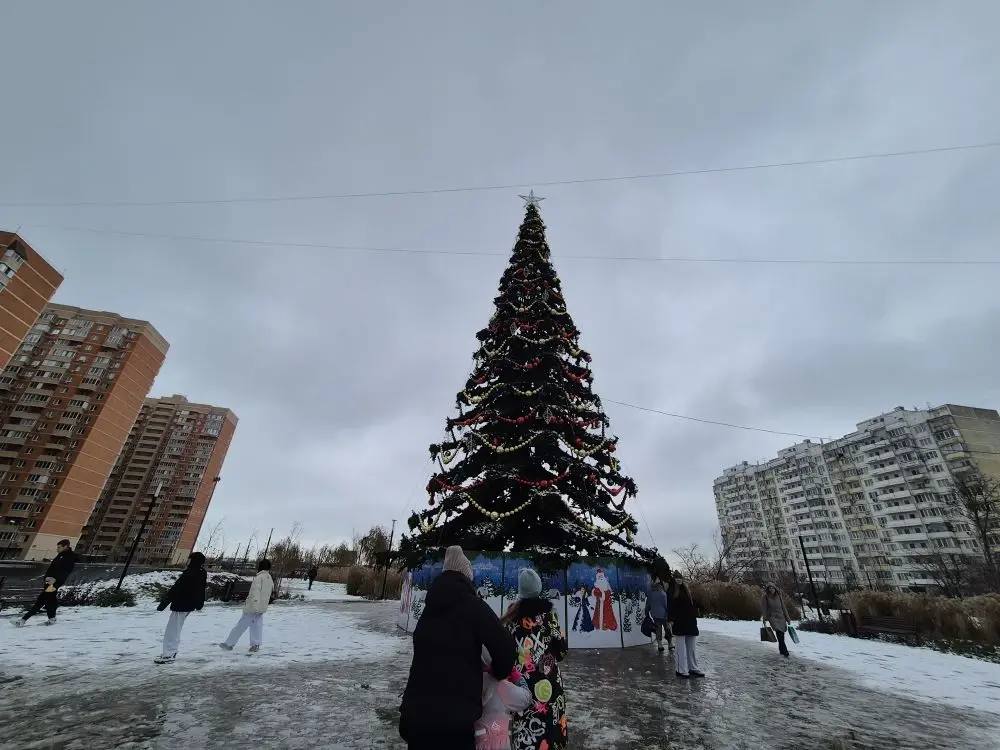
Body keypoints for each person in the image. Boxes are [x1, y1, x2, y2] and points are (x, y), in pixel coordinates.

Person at [400, 546, 516, 749]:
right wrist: (498, 672)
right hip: (454, 723)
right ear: (466, 577)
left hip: (417, 718)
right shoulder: (474, 607)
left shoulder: (429, 610)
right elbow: (505, 648)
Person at [502, 568, 568, 750]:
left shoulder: (511, 617)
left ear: (521, 590)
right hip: (550, 685)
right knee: (551, 730)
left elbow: (505, 653)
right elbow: (561, 652)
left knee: (526, 731)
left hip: (522, 686)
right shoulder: (549, 616)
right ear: (538, 588)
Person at [154, 552, 207, 664]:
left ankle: (169, 654)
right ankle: (170, 652)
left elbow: (175, 589)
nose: (187, 561)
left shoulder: (190, 573)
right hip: (189, 605)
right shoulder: (201, 572)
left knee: (172, 630)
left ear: (193, 561)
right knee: (175, 629)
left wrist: (163, 604)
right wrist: (199, 604)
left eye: (189, 559)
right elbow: (201, 590)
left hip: (181, 604)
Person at [476, 647, 532, 750]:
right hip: (498, 744)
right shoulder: (501, 686)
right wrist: (516, 676)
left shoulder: (468, 681)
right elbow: (526, 698)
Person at [14, 539, 78, 627]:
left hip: (54, 583)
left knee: (41, 600)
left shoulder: (70, 557)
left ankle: (23, 620)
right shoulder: (60, 555)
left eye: (59, 547)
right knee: (50, 600)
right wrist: (46, 578)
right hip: (50, 582)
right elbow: (51, 568)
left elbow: (66, 571)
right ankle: (51, 619)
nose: (57, 549)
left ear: (65, 546)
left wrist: (55, 580)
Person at [220, 559, 274, 653]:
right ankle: (255, 645)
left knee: (241, 625)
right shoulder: (269, 578)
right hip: (261, 607)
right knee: (256, 626)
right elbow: (270, 592)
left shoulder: (259, 577)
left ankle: (229, 644)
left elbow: (255, 592)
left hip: (253, 606)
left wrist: (254, 604)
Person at [669, 572, 704, 679]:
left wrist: (700, 607)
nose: (679, 580)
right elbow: (670, 606)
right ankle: (680, 670)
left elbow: (692, 604)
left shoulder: (687, 590)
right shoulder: (671, 590)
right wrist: (670, 619)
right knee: (680, 648)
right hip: (679, 622)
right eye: (676, 578)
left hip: (690, 622)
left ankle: (692, 667)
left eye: (680, 578)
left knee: (691, 648)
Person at [761, 582, 791, 658]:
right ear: (768, 589)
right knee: (779, 633)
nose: (771, 589)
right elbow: (764, 609)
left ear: (775, 588)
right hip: (773, 618)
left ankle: (781, 650)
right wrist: (764, 618)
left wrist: (788, 618)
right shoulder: (765, 597)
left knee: (781, 635)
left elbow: (783, 607)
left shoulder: (779, 595)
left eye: (772, 588)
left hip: (781, 617)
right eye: (769, 588)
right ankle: (785, 652)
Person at [644, 579, 672, 653]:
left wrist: (646, 612)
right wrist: (669, 612)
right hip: (664, 614)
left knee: (658, 629)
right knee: (667, 629)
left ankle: (660, 645)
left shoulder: (650, 593)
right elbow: (666, 605)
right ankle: (670, 644)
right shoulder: (663, 593)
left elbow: (648, 604)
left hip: (655, 614)